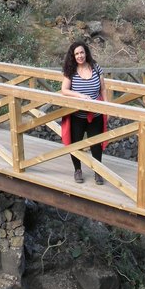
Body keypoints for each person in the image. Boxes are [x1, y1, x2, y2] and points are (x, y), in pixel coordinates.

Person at [61, 41, 107, 184]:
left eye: (81, 52)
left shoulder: (96, 67)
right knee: (76, 144)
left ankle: (98, 172)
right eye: (76, 54)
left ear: (86, 53)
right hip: (77, 115)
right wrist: (80, 96)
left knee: (96, 144)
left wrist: (107, 107)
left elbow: (103, 89)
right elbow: (64, 90)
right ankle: (77, 170)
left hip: (96, 114)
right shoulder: (70, 70)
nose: (80, 56)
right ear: (73, 56)